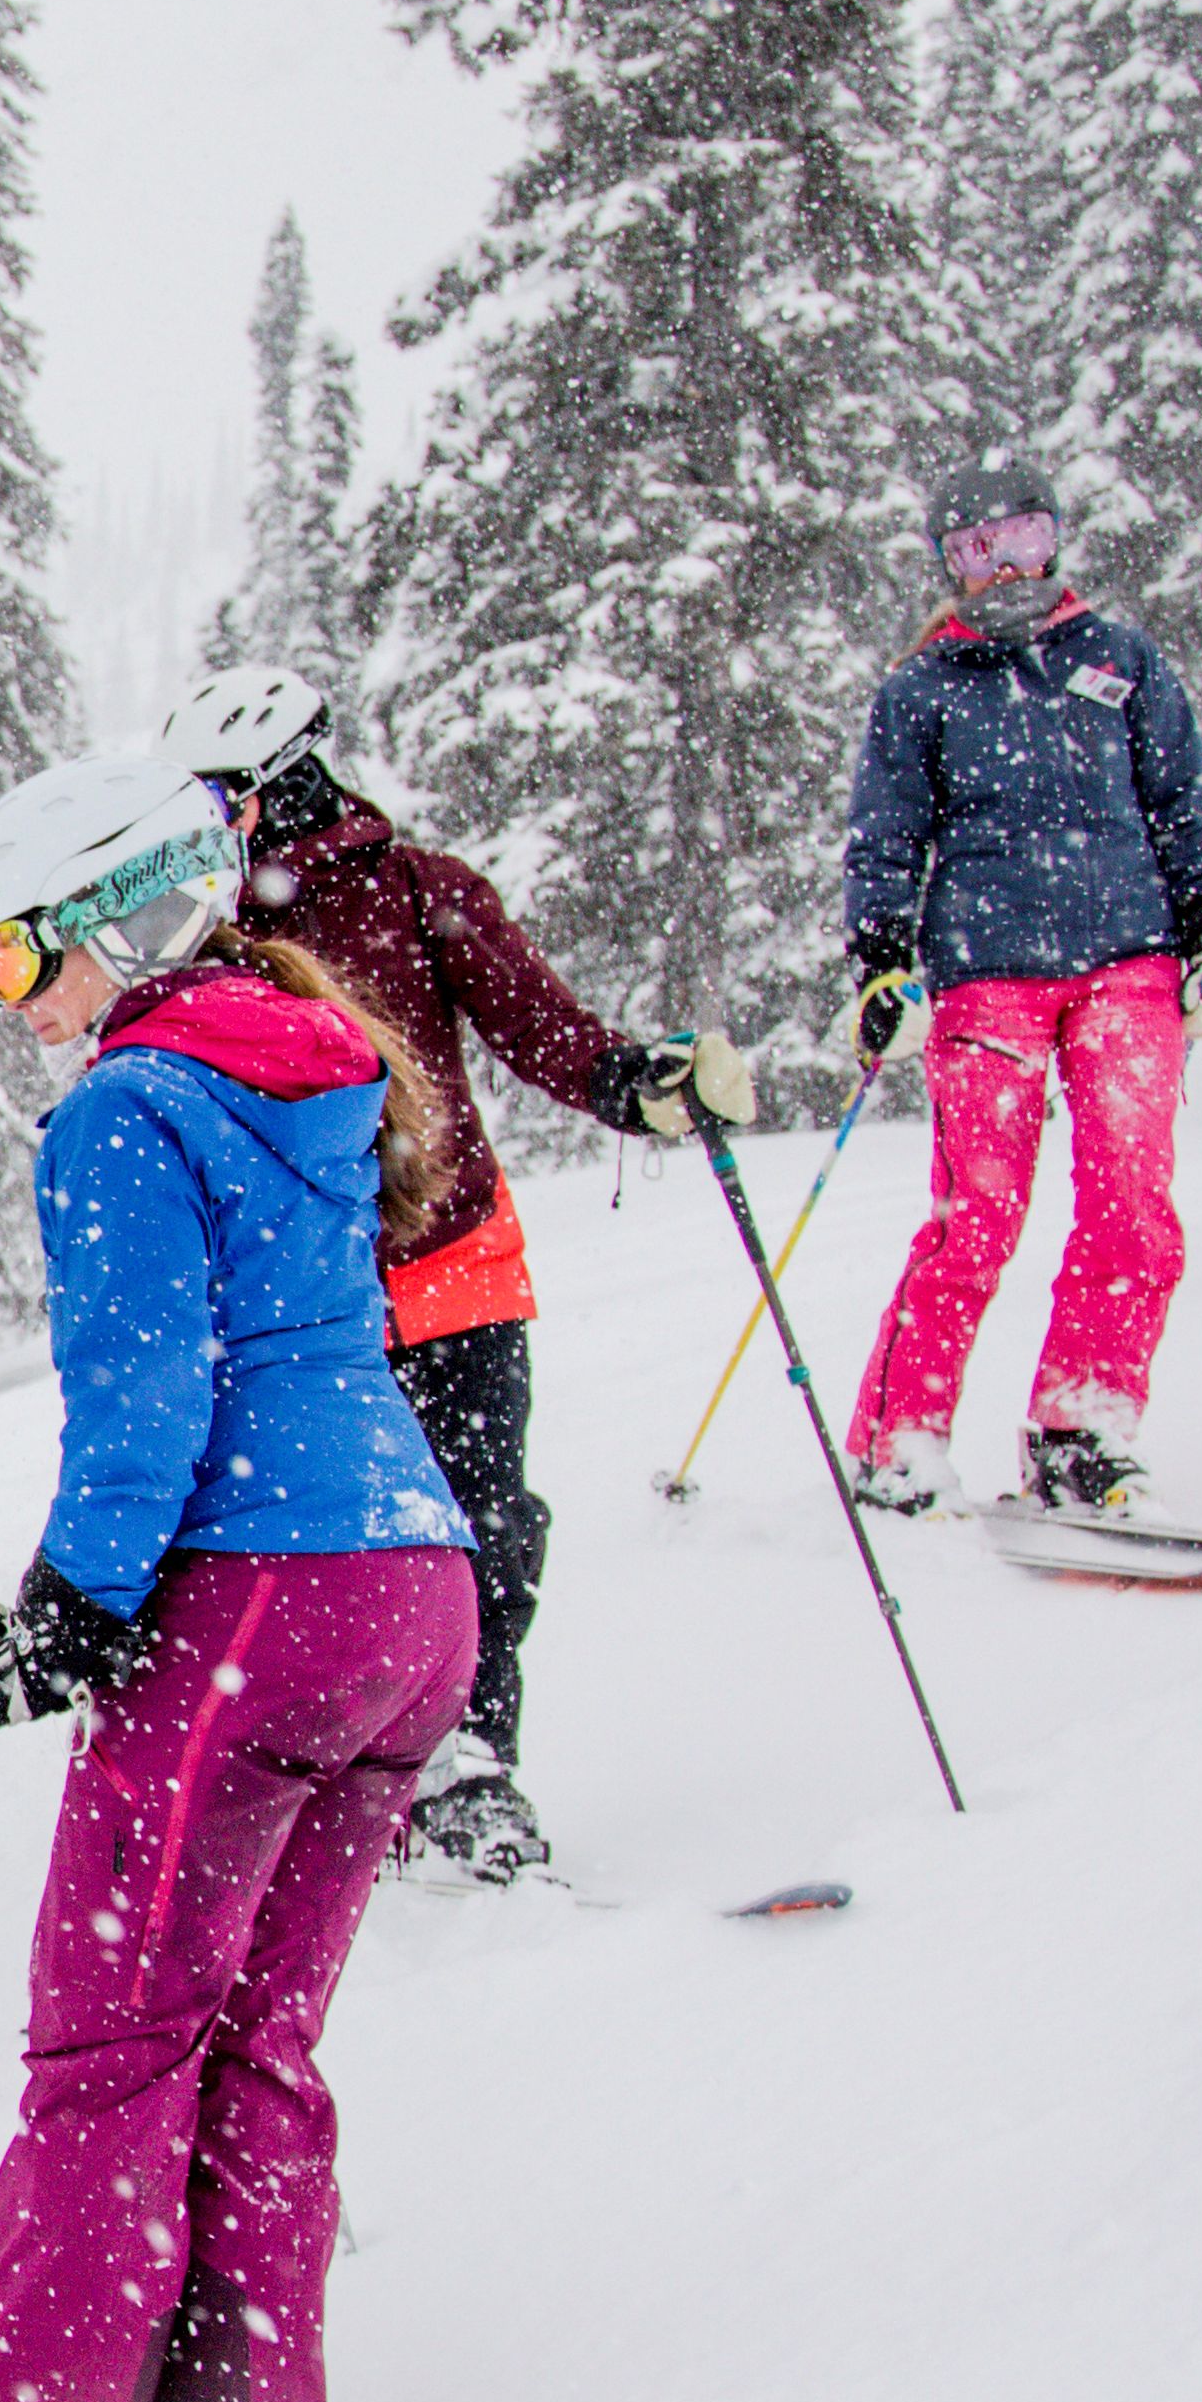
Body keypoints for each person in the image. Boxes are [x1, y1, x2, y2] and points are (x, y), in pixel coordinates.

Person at [0, 760, 477, 2402]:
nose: (3, 1001)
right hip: (412, 1585)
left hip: (257, 1599)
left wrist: (48, 1635)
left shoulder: (129, 1106)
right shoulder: (316, 1059)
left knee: (117, 2042)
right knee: (253, 2040)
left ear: (110, 921)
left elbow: (147, 1409)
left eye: (6, 956)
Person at [156, 663, 753, 1885]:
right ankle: (325, 1765)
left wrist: (636, 1083)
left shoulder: (420, 891)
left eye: (223, 793)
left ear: (285, 782)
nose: (209, 817)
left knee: (485, 1525)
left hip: (453, 1259)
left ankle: (468, 1759)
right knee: (320, 1541)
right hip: (309, 1295)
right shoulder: (207, 924)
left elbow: (542, 1027)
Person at [837, 459, 1202, 1518]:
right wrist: (882, 958)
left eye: (1020, 536)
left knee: (1131, 1207)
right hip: (986, 973)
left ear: (1055, 539)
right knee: (976, 1213)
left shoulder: (1118, 658)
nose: (1004, 564)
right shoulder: (923, 685)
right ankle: (901, 1438)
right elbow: (884, 836)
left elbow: (1181, 802)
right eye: (977, 549)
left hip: (1129, 960)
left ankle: (1082, 1427)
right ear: (949, 565)